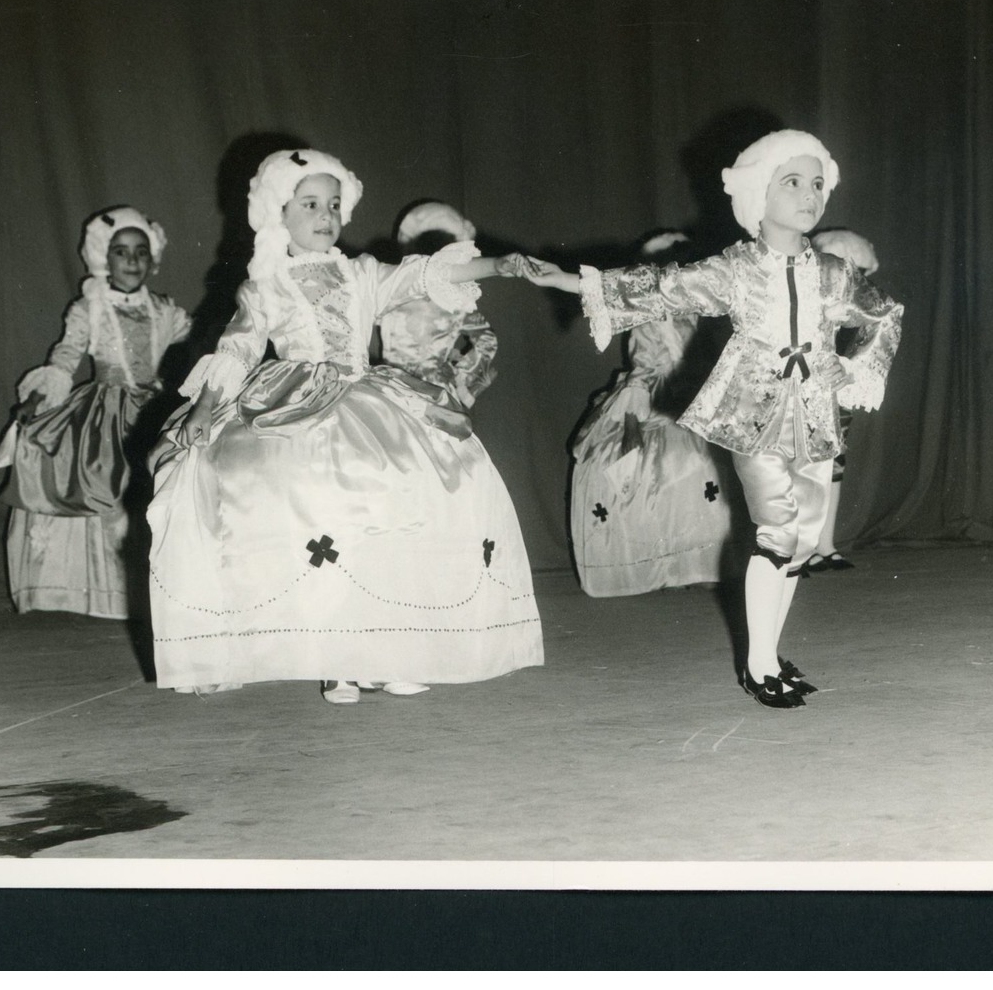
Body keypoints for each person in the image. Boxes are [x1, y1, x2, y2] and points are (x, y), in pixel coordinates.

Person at [520, 130, 903, 708]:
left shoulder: (832, 272)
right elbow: (660, 288)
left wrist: (851, 372)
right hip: (754, 417)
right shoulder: (737, 268)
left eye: (816, 184)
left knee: (800, 540)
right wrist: (574, 281)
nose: (808, 195)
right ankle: (758, 665)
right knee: (775, 530)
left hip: (815, 416)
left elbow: (884, 316)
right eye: (792, 182)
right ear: (759, 194)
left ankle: (772, 650)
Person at [147, 149, 542, 704]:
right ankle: (335, 657)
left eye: (333, 204)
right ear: (278, 213)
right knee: (313, 505)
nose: (326, 215)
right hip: (292, 400)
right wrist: (205, 404)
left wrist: (497, 266)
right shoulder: (266, 284)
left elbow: (425, 273)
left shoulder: (361, 273)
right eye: (310, 204)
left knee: (398, 498)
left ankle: (389, 650)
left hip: (365, 395)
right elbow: (238, 347)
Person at [0, 206, 193, 619]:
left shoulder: (166, 311)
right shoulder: (90, 309)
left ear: (153, 260)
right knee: (102, 482)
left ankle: (159, 588)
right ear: (104, 258)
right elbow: (66, 355)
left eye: (141, 252)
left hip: (153, 408)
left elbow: (195, 344)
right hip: (106, 407)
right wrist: (38, 399)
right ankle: (109, 593)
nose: (132, 261)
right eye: (121, 252)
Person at [569, 231, 733, 597]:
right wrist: (635, 409)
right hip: (661, 393)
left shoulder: (700, 305)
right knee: (665, 469)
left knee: (699, 473)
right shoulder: (650, 310)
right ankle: (672, 564)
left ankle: (699, 563)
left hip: (696, 391)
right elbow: (644, 361)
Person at [803, 228, 882, 574]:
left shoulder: (858, 305)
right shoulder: (806, 296)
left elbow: (866, 345)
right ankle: (799, 550)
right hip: (800, 387)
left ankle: (825, 545)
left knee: (834, 464)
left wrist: (849, 373)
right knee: (798, 468)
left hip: (836, 391)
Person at [377, 201, 498, 409]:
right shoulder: (453, 299)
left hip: (391, 387)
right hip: (434, 393)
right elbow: (487, 339)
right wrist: (462, 380)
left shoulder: (390, 289)